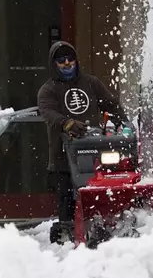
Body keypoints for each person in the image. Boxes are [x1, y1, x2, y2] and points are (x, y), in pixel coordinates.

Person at [37, 40, 129, 243]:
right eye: (61, 61)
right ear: (54, 64)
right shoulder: (48, 90)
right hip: (65, 152)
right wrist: (66, 123)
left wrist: (125, 123)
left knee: (100, 185)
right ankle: (68, 231)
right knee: (67, 193)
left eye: (70, 59)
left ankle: (107, 221)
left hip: (95, 148)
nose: (67, 64)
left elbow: (110, 104)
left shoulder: (91, 83)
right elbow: (48, 113)